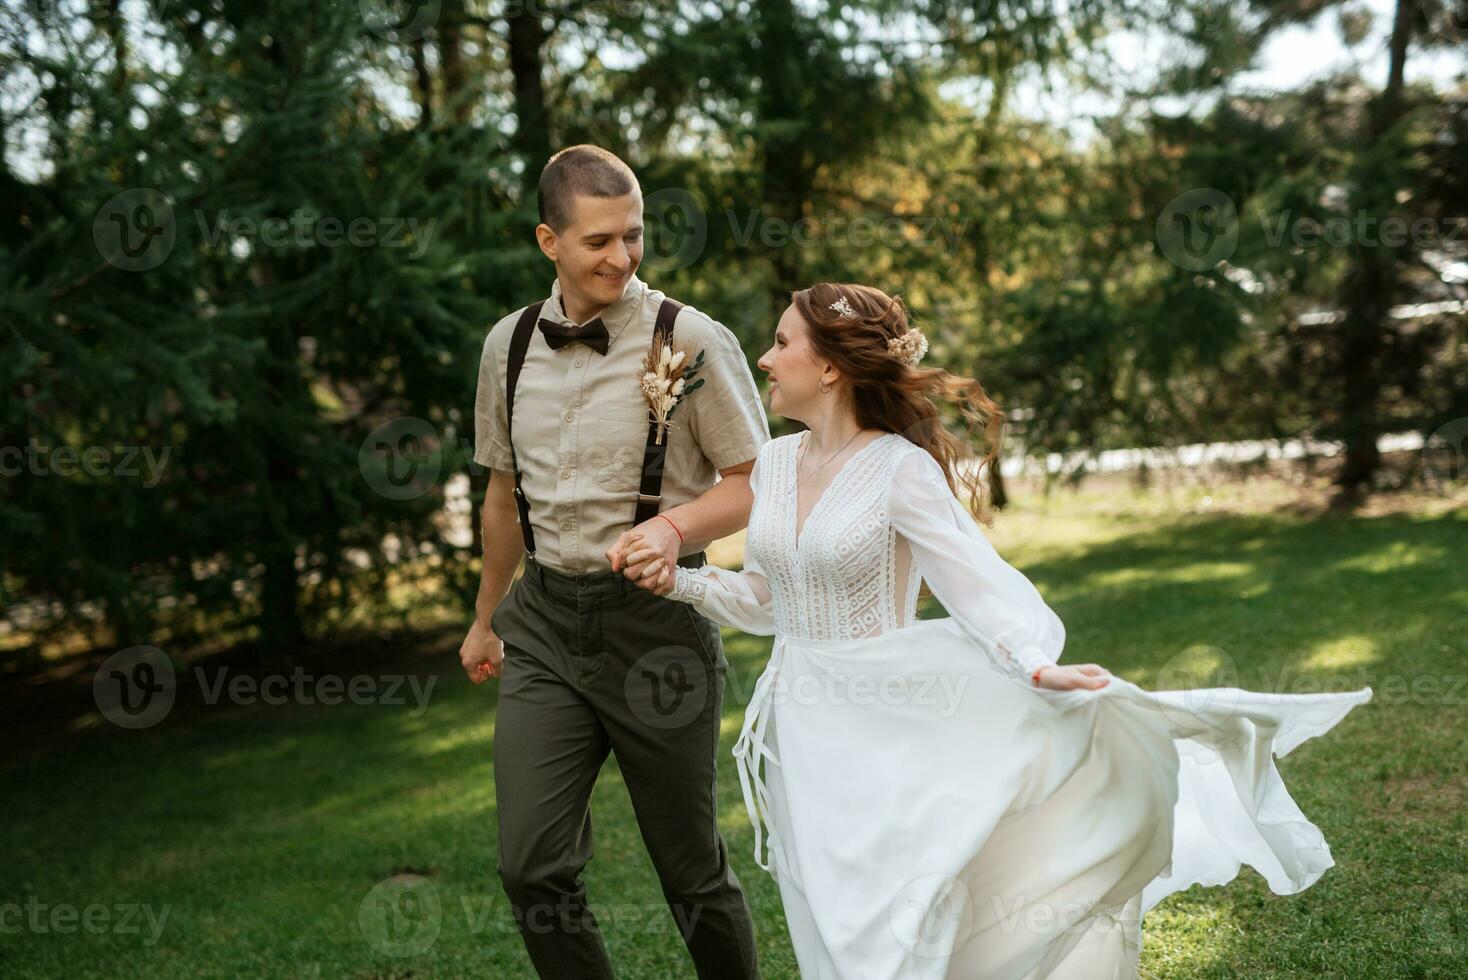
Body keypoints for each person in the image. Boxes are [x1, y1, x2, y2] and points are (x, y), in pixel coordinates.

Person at [614, 281, 1373, 979]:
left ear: (833, 368)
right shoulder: (773, 467)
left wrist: (1034, 666)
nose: (765, 357)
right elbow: (773, 602)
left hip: (893, 715)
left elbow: (980, 587)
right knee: (829, 921)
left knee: (901, 921)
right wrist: (683, 579)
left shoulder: (898, 471)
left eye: (782, 343)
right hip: (803, 732)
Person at [462, 144, 769, 979]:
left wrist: (674, 530)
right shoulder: (510, 344)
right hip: (545, 629)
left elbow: (756, 482)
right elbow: (500, 497)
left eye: (632, 236)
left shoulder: (688, 336)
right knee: (531, 866)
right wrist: (486, 617)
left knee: (691, 873)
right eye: (598, 240)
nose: (622, 257)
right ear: (547, 241)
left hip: (655, 632)